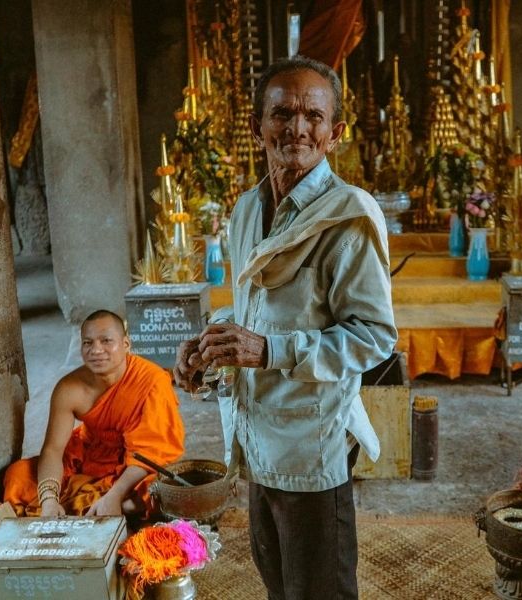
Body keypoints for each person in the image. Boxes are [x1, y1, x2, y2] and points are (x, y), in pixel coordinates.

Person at [174, 55, 397, 599]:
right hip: (256, 438)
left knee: (318, 590)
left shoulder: (348, 217)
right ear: (258, 126)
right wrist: (212, 342)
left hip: (312, 443)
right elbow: (255, 312)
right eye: (282, 113)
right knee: (278, 584)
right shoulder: (248, 210)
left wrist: (269, 350)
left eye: (313, 116)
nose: (297, 128)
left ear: (334, 134)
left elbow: (374, 336)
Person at [3, 310, 185, 518]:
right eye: (88, 343)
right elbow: (53, 449)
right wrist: (49, 501)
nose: (96, 350)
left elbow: (151, 454)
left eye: (106, 341)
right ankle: (91, 507)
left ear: (126, 344)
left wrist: (114, 496)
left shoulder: (152, 381)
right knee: (18, 475)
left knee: (162, 490)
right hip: (88, 456)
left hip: (135, 465)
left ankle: (101, 504)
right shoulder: (69, 388)